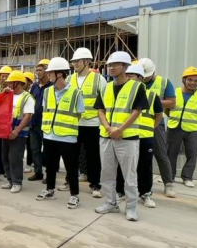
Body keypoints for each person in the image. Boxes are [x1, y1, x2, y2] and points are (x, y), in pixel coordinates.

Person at [94, 51, 148, 222]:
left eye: (115, 65)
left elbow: (136, 111)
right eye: (110, 65)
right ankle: (110, 203)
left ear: (125, 67)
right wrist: (108, 127)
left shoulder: (137, 87)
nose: (111, 68)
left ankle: (131, 207)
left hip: (127, 138)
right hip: (106, 136)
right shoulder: (106, 87)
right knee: (106, 172)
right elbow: (100, 110)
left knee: (129, 175)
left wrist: (120, 129)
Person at [36, 58, 84, 208]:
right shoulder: (47, 92)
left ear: (59, 74)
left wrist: (65, 126)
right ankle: (50, 190)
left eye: (50, 72)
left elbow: (79, 114)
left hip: (67, 137)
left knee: (71, 168)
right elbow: (46, 110)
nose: (48, 74)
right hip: (49, 135)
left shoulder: (76, 93)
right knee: (50, 165)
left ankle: (74, 195)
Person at [115, 64, 164, 209]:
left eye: (131, 76)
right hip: (127, 135)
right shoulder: (122, 93)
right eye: (127, 75)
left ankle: (145, 193)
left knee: (144, 166)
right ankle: (120, 191)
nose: (128, 78)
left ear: (141, 78)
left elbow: (159, 115)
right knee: (123, 165)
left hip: (144, 136)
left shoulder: (151, 95)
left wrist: (150, 128)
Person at [69, 47, 107, 198]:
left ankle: (95, 184)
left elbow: (105, 103)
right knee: (72, 155)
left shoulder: (99, 79)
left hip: (93, 124)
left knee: (93, 156)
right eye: (73, 62)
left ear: (86, 61)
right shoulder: (69, 79)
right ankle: (70, 181)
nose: (75, 64)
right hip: (74, 123)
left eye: (77, 61)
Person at [137, 58, 176, 198]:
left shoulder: (164, 82)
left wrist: (154, 101)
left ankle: (168, 184)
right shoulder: (134, 81)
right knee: (136, 155)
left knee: (160, 154)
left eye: (146, 76)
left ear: (153, 72)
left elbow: (172, 102)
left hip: (156, 123)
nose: (143, 79)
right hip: (135, 123)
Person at [167, 67, 197, 188]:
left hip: (193, 129)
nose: (193, 83)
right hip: (174, 127)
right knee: (170, 153)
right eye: (190, 80)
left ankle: (187, 177)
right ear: (184, 80)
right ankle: (169, 176)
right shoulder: (174, 92)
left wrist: (193, 120)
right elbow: (167, 109)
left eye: (196, 81)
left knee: (192, 154)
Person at [1, 71, 34, 193]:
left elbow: (27, 116)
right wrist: (3, 94)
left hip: (19, 134)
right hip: (6, 131)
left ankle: (17, 182)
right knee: (5, 157)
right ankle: (10, 180)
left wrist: (17, 131)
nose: (9, 85)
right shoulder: (9, 95)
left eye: (11, 82)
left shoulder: (27, 97)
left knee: (15, 158)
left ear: (18, 83)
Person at [27, 59, 50, 182]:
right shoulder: (34, 86)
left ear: (46, 71)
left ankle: (49, 174)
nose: (38, 72)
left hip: (46, 124)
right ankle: (38, 172)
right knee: (34, 149)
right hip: (34, 123)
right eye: (37, 70)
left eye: (40, 70)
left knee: (47, 151)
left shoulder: (52, 87)